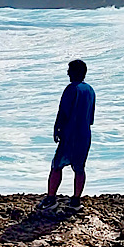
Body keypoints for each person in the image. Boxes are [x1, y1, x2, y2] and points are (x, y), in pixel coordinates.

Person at [37, 59, 96, 210]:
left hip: (71, 134)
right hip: (84, 134)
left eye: (69, 70)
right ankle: (76, 201)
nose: (67, 73)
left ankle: (51, 199)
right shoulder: (90, 90)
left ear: (76, 72)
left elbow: (63, 111)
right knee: (80, 168)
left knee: (57, 166)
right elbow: (90, 119)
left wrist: (57, 128)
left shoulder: (71, 89)